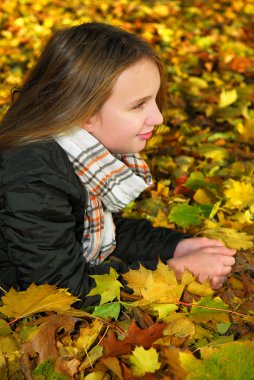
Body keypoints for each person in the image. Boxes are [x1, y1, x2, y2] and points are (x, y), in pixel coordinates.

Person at [0, 22, 236, 305]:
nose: (158, 118)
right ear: (83, 112)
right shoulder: (33, 179)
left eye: (154, 101)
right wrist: (174, 273)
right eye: (139, 105)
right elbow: (61, 292)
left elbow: (92, 231)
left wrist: (175, 246)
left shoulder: (78, 153)